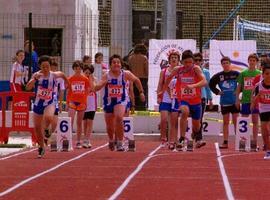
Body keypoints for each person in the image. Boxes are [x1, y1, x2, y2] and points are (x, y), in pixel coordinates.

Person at [94, 54, 145, 151]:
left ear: (121, 64)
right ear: (110, 65)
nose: (116, 64)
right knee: (109, 126)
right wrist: (100, 84)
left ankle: (120, 142)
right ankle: (111, 139)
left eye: (118, 62)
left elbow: (137, 80)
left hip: (121, 100)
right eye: (114, 62)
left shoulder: (126, 74)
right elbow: (97, 87)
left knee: (119, 117)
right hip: (108, 101)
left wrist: (141, 92)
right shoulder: (106, 75)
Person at [159, 50, 207, 150]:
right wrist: (162, 91)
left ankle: (196, 136)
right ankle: (181, 138)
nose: (188, 64)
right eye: (186, 62)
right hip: (183, 98)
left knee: (196, 126)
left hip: (196, 100)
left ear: (193, 62)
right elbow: (168, 79)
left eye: (190, 62)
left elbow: (204, 81)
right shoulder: (178, 69)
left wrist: (193, 86)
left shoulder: (196, 69)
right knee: (184, 112)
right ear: (182, 62)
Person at [26, 55, 68, 158]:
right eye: (43, 67)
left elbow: (62, 75)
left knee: (49, 117)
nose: (45, 69)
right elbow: (27, 87)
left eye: (47, 66)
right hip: (38, 103)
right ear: (40, 66)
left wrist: (68, 83)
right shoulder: (36, 75)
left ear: (50, 66)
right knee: (37, 127)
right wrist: (34, 80)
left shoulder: (54, 75)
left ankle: (46, 131)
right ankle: (41, 147)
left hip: (50, 101)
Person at [209, 57, 240, 148]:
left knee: (236, 122)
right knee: (225, 122)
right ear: (222, 65)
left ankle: (238, 140)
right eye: (224, 63)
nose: (225, 64)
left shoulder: (236, 74)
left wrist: (238, 91)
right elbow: (211, 84)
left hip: (234, 101)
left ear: (230, 64)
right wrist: (218, 92)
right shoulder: (219, 76)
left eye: (227, 63)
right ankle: (225, 142)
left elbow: (243, 82)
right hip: (224, 102)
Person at [235, 53, 261, 151]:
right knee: (244, 121)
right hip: (245, 100)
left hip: (256, 101)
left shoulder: (260, 73)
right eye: (250, 60)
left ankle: (254, 143)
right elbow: (239, 87)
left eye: (254, 60)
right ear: (248, 61)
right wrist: (237, 99)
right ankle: (243, 142)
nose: (252, 62)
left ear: (256, 62)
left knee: (255, 122)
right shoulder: (243, 73)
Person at [156, 50, 180, 147]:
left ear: (178, 60)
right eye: (172, 58)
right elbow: (160, 84)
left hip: (176, 98)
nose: (174, 59)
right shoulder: (164, 71)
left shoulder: (181, 71)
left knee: (173, 121)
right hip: (165, 98)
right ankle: (163, 138)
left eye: (176, 57)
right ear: (169, 60)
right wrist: (159, 96)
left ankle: (173, 140)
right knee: (164, 120)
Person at [67, 60, 93, 149]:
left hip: (82, 102)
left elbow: (88, 90)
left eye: (79, 68)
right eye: (76, 68)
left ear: (81, 69)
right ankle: (68, 139)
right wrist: (67, 102)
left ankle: (78, 141)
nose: (78, 70)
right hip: (72, 101)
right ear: (73, 69)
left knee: (79, 122)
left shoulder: (85, 79)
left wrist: (84, 99)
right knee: (70, 120)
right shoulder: (70, 79)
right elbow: (68, 90)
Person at [43, 61, 66, 145]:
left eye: (55, 68)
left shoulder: (59, 77)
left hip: (54, 99)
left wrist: (60, 104)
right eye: (52, 68)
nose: (53, 70)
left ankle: (47, 136)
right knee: (47, 119)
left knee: (55, 122)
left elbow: (62, 90)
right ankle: (43, 136)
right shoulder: (43, 75)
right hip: (44, 99)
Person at [251, 59, 270, 159]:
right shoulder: (259, 86)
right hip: (263, 108)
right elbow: (254, 97)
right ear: (263, 74)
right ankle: (268, 150)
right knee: (264, 130)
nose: (269, 76)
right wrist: (252, 105)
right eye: (266, 74)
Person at [194, 53, 213, 143]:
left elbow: (208, 86)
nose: (197, 62)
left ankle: (199, 138)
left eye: (199, 60)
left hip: (202, 97)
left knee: (199, 118)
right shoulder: (190, 71)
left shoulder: (206, 72)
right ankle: (189, 136)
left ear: (202, 61)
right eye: (195, 60)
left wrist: (210, 99)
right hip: (190, 97)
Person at [128, 44, 148, 110]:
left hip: (132, 78)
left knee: (133, 94)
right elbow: (146, 70)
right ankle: (141, 109)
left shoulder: (130, 58)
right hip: (143, 79)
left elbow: (129, 68)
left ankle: (133, 107)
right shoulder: (144, 58)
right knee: (142, 96)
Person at [82, 65, 97, 148]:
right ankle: (85, 138)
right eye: (86, 73)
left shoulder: (94, 80)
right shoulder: (81, 80)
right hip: (84, 104)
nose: (87, 74)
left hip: (91, 105)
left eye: (89, 73)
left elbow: (93, 88)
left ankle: (87, 139)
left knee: (89, 122)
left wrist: (90, 79)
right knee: (84, 123)